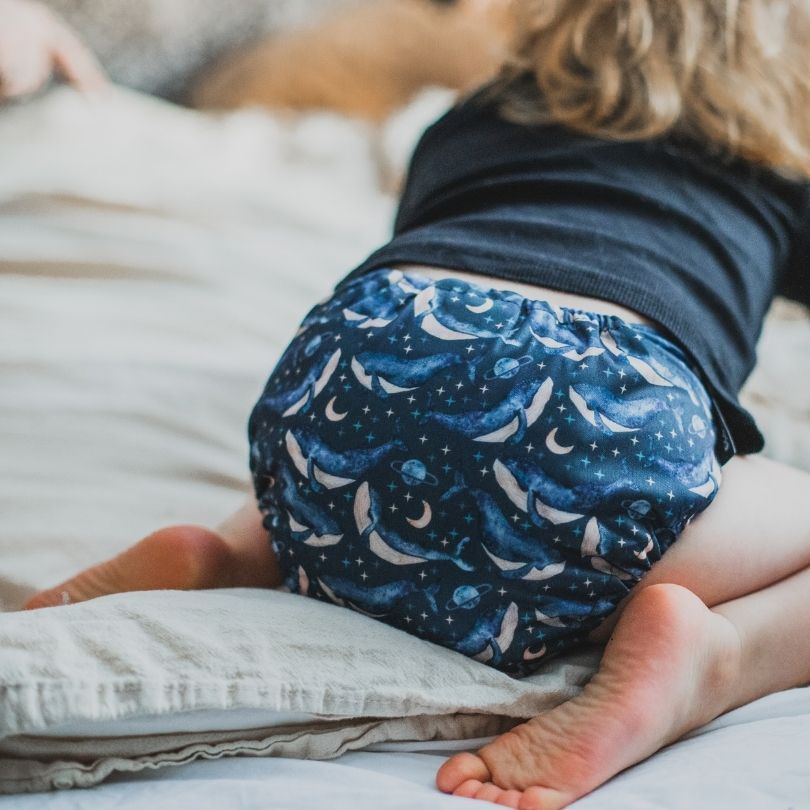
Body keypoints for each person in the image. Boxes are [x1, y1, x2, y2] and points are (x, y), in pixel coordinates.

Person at [22, 1, 810, 808]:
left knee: (404, 427)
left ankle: (230, 553)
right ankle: (715, 656)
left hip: (368, 344)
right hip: (597, 413)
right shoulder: (777, 164)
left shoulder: (474, 117)